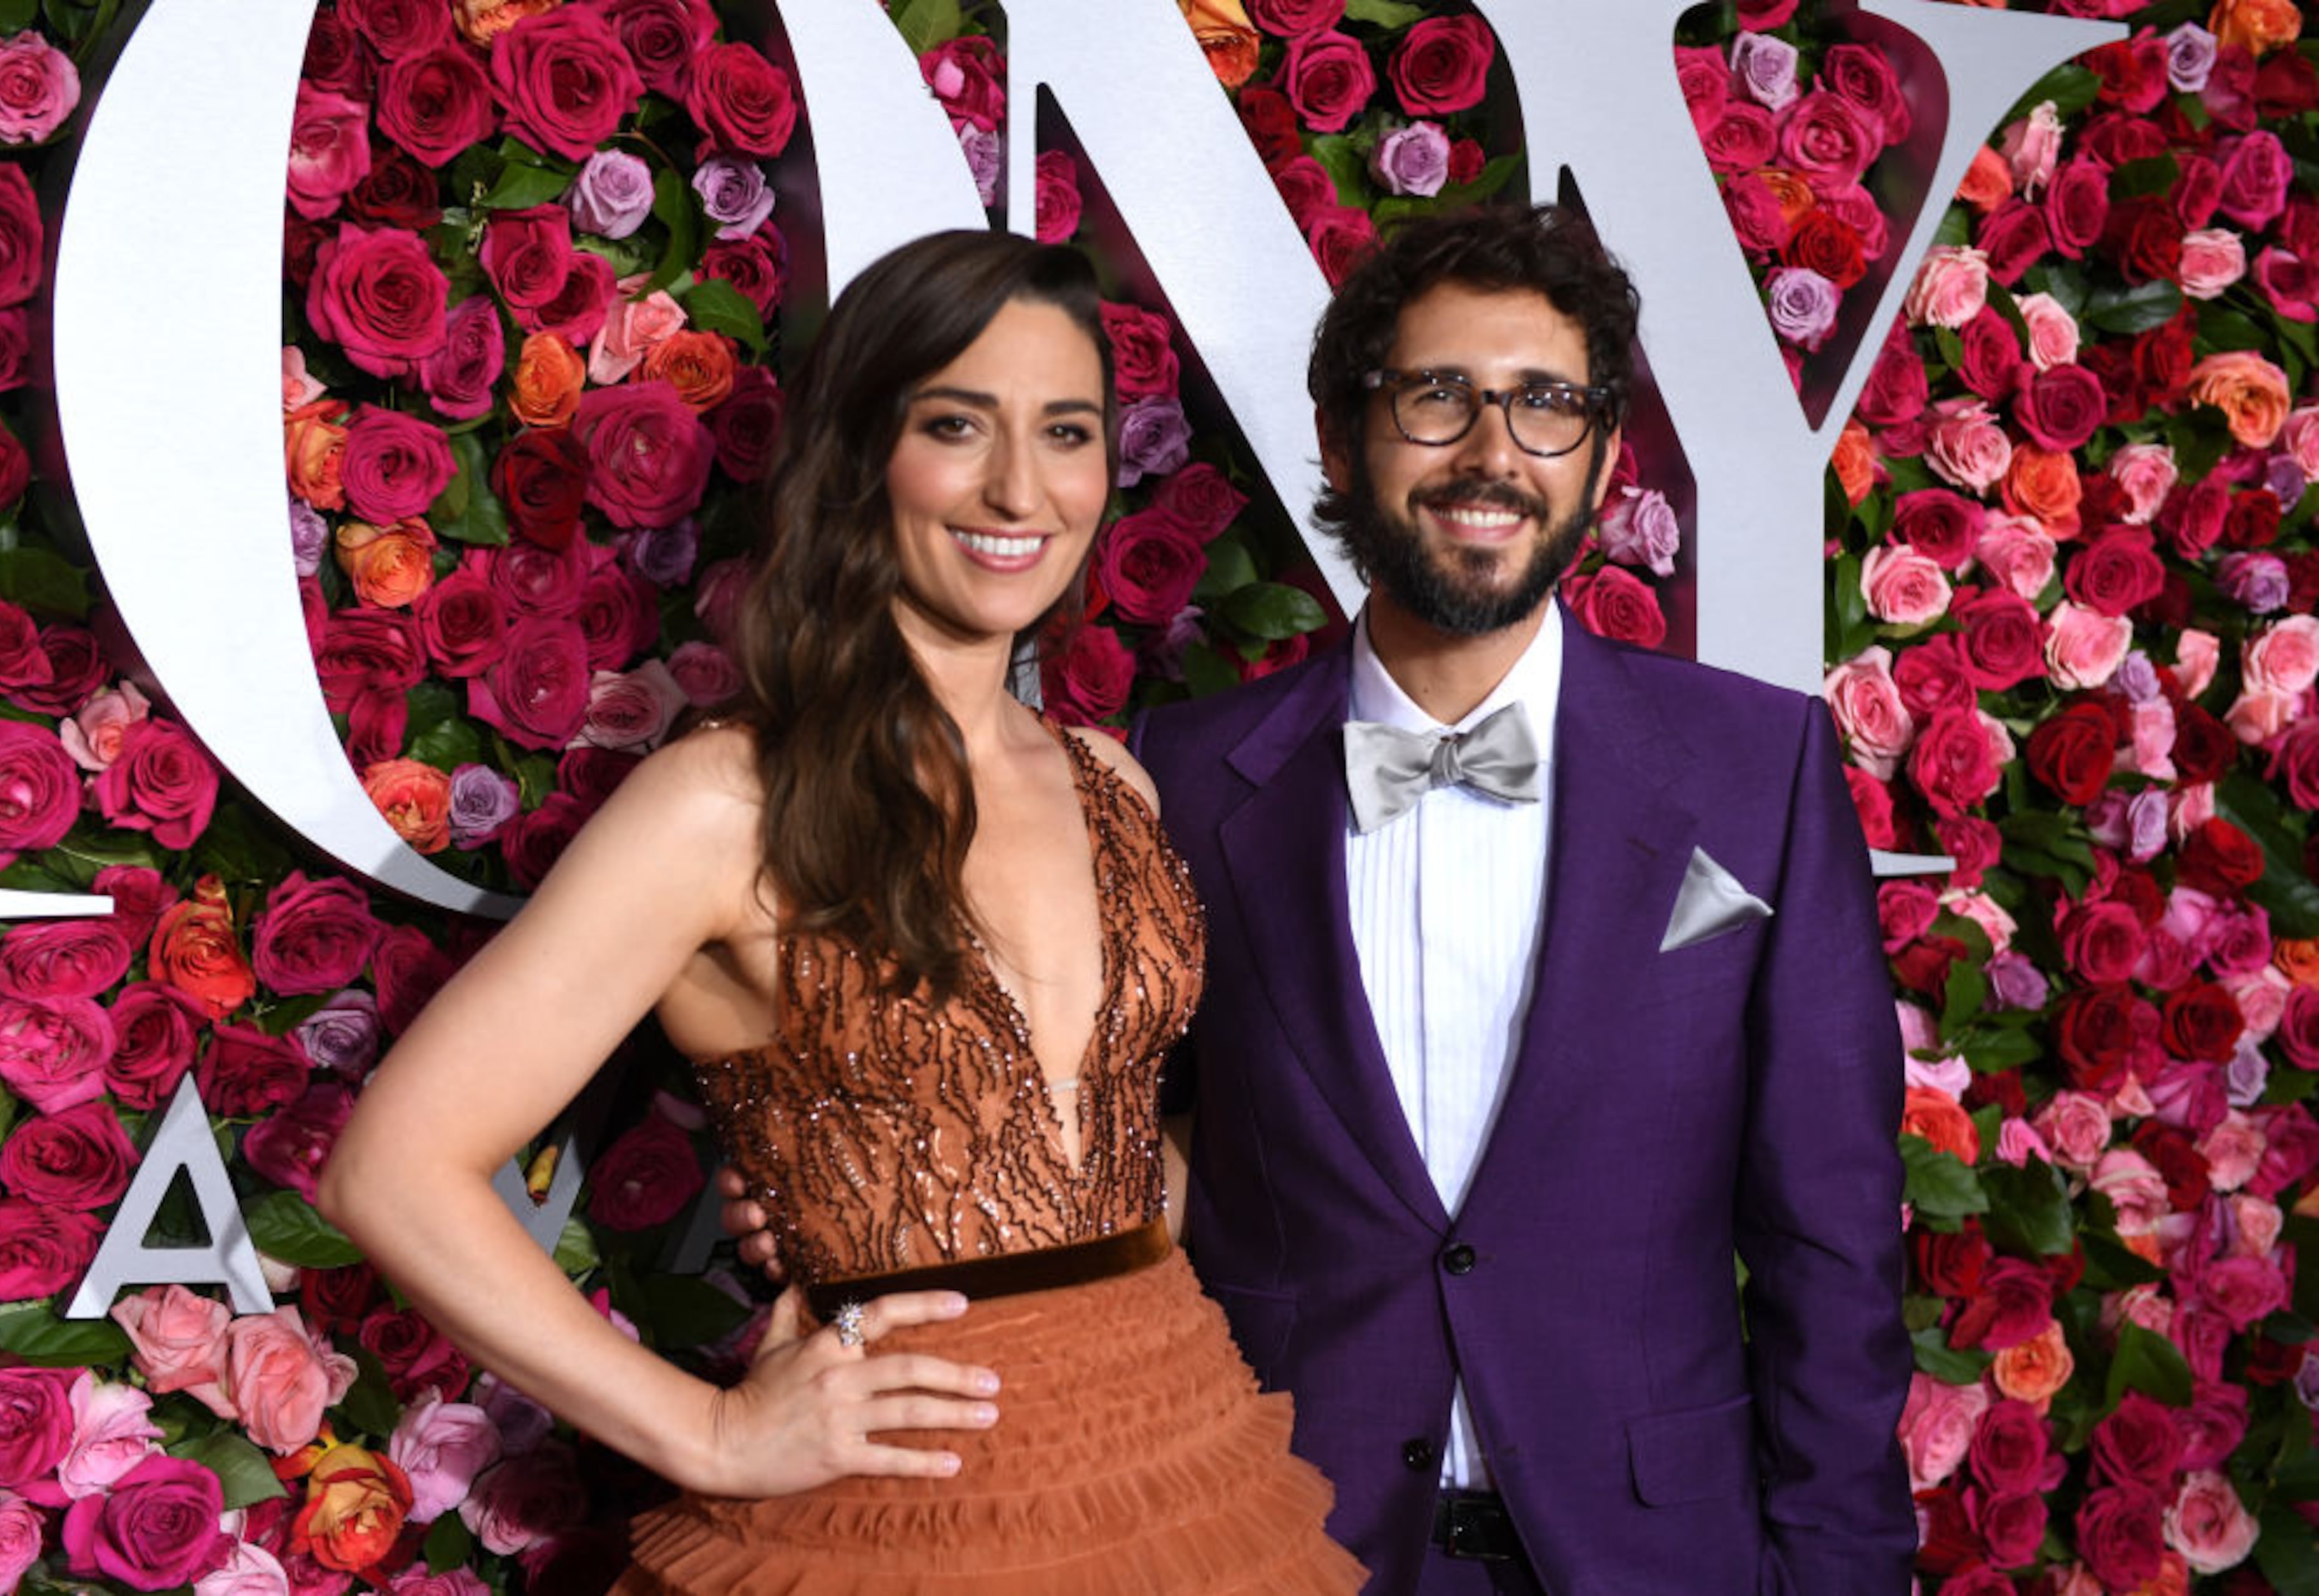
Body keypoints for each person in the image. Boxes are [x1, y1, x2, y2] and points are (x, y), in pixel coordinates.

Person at [729, 203, 1913, 1595]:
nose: (1493, 454)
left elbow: (1831, 1242)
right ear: (1343, 435)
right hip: (1278, 1536)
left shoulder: (1753, 770)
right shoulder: (1176, 781)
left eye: (1546, 406)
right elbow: (1091, 1124)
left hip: (1660, 1552)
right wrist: (855, 1185)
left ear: (1599, 460)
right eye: (1437, 397)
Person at [320, 229, 1364, 1594]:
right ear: (862, 454)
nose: (1018, 487)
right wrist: (708, 1430)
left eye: (1066, 431)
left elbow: (1103, 1136)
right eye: (956, 425)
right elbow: (390, 1170)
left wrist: (880, 1161)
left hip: (1179, 1454)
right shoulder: (724, 803)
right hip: (902, 1519)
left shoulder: (1113, 781)